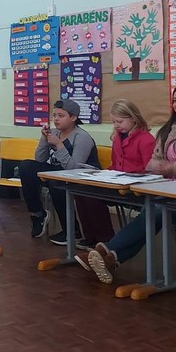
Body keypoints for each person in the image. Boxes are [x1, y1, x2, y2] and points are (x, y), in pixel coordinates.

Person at [87, 83, 176, 284]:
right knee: (153, 208)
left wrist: (174, 168)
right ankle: (111, 256)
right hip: (169, 192)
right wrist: (156, 167)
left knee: (155, 210)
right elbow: (154, 162)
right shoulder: (168, 130)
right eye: (175, 100)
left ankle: (110, 251)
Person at [73, 99, 156, 257]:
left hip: (136, 187)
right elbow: (115, 164)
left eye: (120, 121)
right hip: (118, 182)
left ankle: (106, 240)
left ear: (133, 118)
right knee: (81, 191)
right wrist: (103, 174)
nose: (117, 125)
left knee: (93, 197)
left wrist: (129, 175)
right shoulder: (117, 138)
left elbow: (151, 170)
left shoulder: (146, 140)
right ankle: (91, 237)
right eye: (114, 122)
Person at [19, 99, 100, 242]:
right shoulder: (55, 132)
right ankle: (38, 214)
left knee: (56, 182)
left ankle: (72, 232)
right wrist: (44, 139)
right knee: (26, 166)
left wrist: (59, 145)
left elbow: (74, 169)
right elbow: (40, 160)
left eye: (61, 116)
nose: (56, 119)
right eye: (54, 115)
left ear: (73, 118)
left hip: (81, 176)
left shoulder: (82, 137)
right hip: (59, 172)